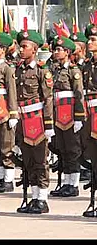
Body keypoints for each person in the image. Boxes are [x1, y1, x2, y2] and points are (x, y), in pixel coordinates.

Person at [15, 28, 54, 214]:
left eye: (25, 46)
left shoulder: (41, 72)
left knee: (40, 160)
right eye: (20, 46)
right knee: (28, 161)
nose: (21, 50)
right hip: (23, 120)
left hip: (37, 120)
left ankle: (43, 199)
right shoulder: (18, 70)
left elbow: (48, 99)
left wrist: (48, 124)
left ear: (34, 49)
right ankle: (34, 196)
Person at [48, 35, 85, 198]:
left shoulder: (73, 71)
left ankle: (74, 183)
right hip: (58, 113)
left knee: (72, 149)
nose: (56, 52)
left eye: (59, 50)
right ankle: (66, 182)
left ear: (67, 52)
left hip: (69, 113)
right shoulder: (55, 69)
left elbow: (78, 95)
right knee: (61, 149)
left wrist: (78, 117)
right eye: (55, 49)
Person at [0, 32, 19, 193]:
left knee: (7, 146)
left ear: (4, 49)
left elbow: (12, 91)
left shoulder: (7, 68)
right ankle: (1, 177)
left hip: (5, 112)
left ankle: (8, 180)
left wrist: (13, 113)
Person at [82, 27, 97, 217]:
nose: (89, 42)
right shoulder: (87, 65)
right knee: (94, 162)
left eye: (93, 39)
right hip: (91, 116)